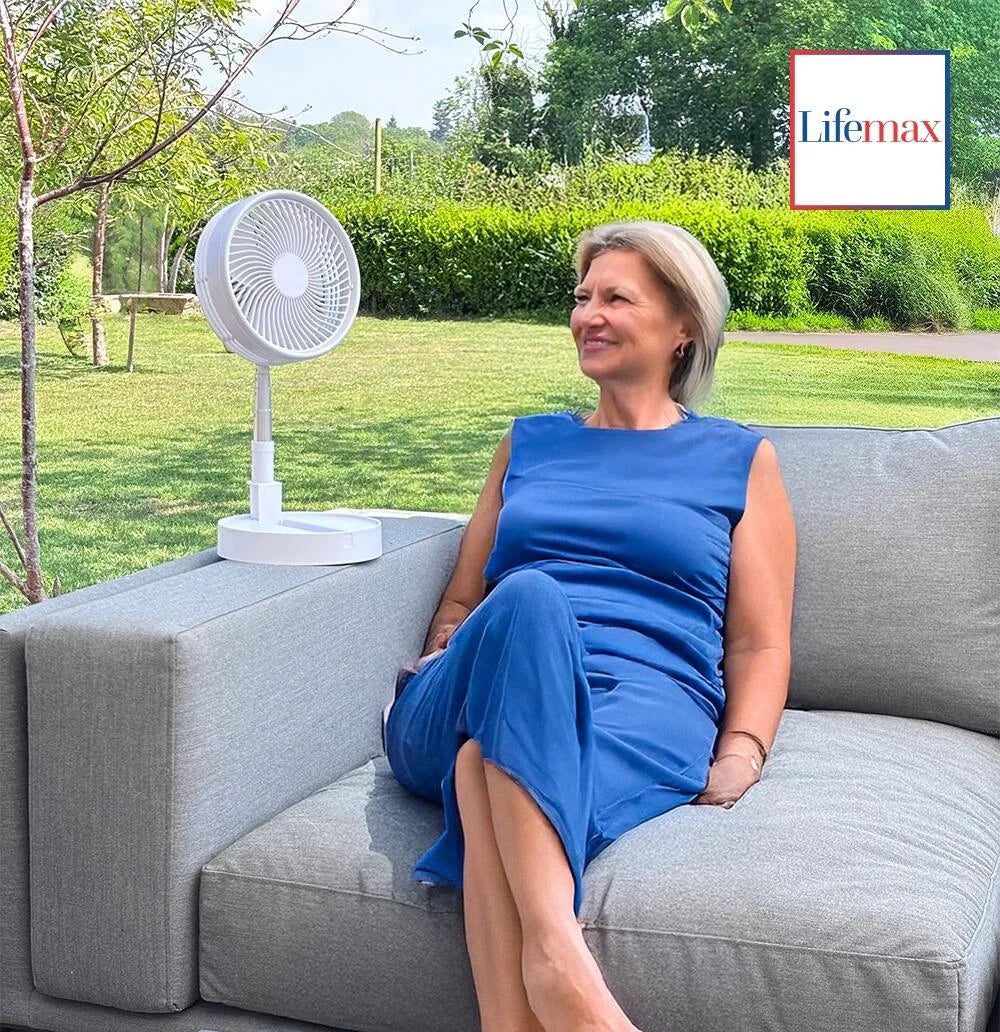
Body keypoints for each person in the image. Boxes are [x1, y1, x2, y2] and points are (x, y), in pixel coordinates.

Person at [383, 220, 797, 1032]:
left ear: (685, 328)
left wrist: (742, 748)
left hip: (646, 707)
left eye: (615, 297)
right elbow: (464, 604)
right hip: (481, 680)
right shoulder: (529, 442)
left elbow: (758, 641)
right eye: (581, 298)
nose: (587, 315)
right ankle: (560, 960)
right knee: (533, 597)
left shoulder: (739, 459)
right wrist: (456, 656)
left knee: (483, 769)